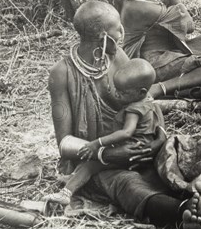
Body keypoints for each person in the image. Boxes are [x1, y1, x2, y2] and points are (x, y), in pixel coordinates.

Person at [48, 0, 201, 229]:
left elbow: (145, 100)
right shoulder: (62, 73)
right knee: (129, 186)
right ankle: (183, 213)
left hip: (138, 145)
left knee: (179, 159)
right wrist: (105, 153)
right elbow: (64, 143)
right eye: (118, 29)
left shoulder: (116, 55)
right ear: (103, 36)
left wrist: (156, 142)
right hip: (100, 161)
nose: (122, 34)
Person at [44, 59, 166, 206]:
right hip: (139, 149)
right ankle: (73, 180)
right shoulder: (148, 102)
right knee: (91, 166)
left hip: (130, 151)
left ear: (141, 92)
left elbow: (126, 133)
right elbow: (157, 116)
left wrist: (97, 143)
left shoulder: (133, 109)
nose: (117, 95)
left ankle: (66, 193)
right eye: (116, 90)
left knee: (90, 166)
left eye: (123, 93)